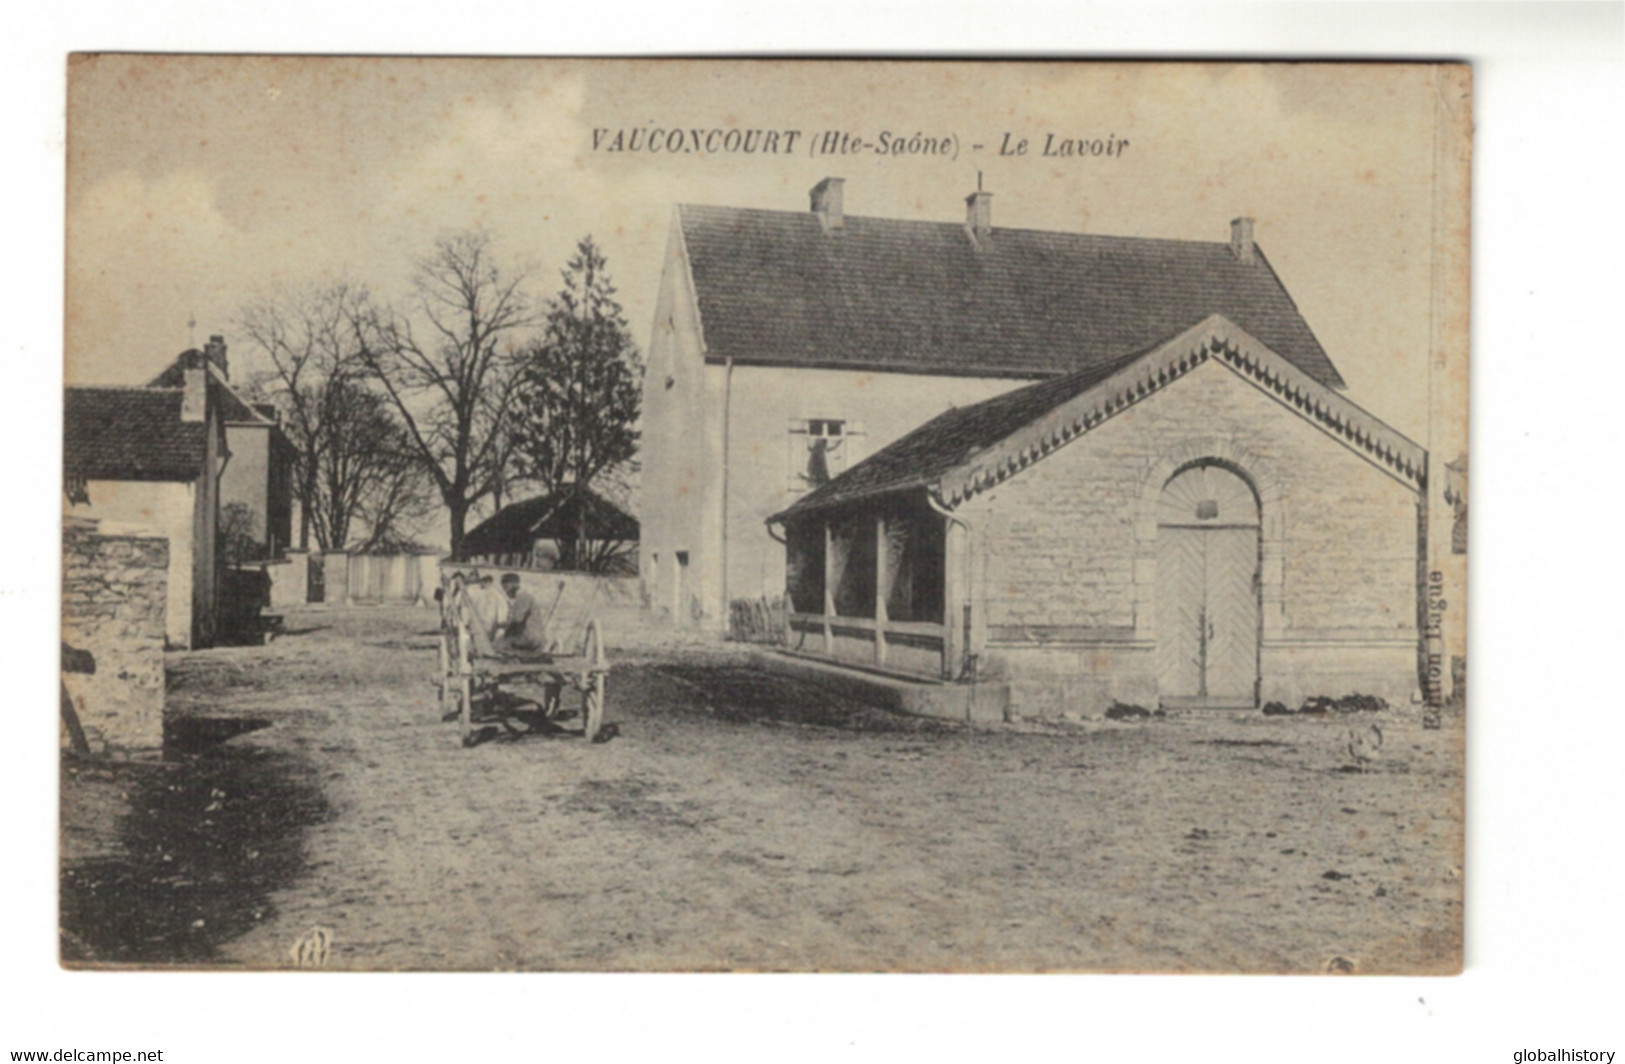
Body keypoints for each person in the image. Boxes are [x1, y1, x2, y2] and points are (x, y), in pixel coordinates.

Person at [492, 572, 553, 656]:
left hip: (530, 638)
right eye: (504, 589)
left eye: (507, 587)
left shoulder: (523, 597)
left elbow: (517, 620)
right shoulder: (523, 597)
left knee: (496, 644)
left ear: (515, 584)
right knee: (501, 641)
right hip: (532, 637)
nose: (506, 592)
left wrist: (499, 625)